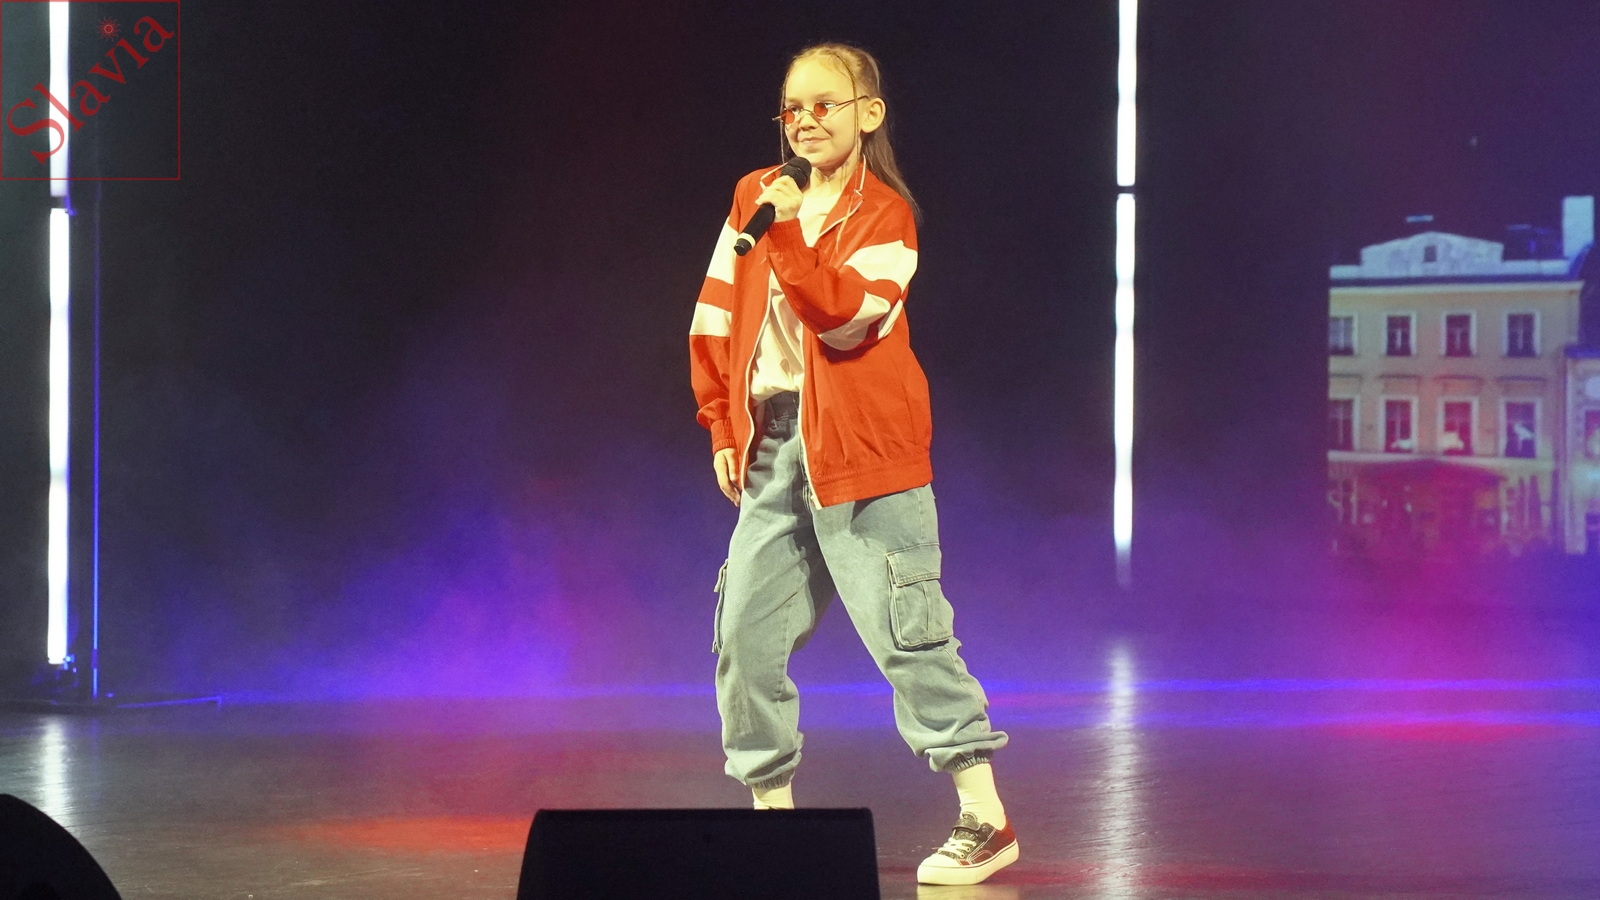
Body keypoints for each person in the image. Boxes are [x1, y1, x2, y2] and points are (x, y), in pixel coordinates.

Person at [687, 42, 1017, 887]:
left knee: (907, 634)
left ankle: (985, 817)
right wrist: (722, 423)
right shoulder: (755, 196)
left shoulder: (886, 216)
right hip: (775, 448)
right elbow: (716, 315)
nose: (804, 121)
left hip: (868, 451)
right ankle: (773, 819)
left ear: (868, 113)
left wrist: (790, 235)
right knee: (743, 635)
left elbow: (844, 320)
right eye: (792, 108)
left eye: (824, 104)